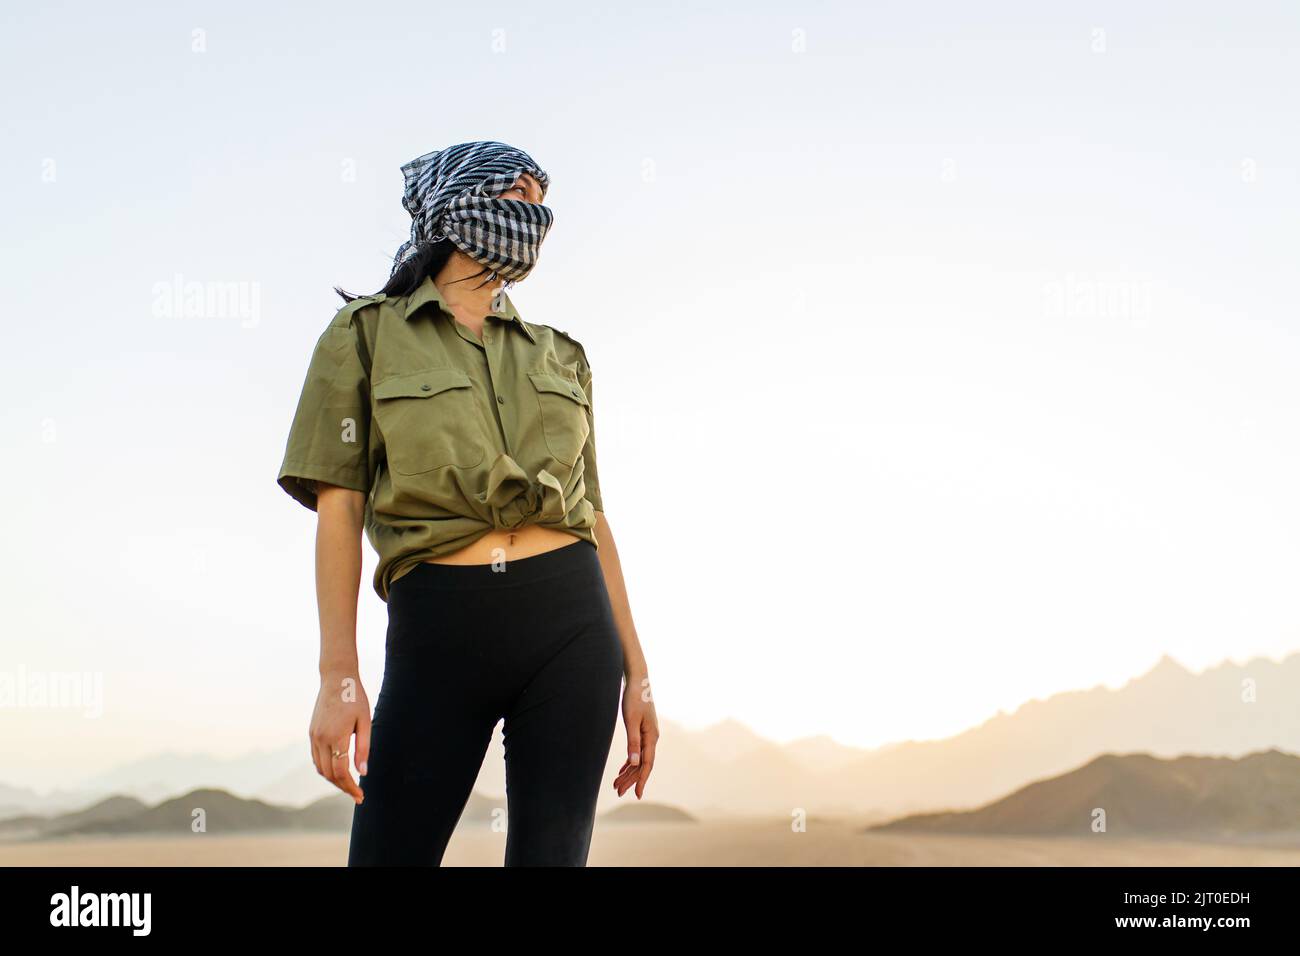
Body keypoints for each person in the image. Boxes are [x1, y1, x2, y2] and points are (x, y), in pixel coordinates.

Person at [275, 141, 657, 866]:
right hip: (438, 629)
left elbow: (593, 520)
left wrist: (638, 676)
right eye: (514, 197)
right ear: (456, 206)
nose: (533, 218)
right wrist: (338, 678)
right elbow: (340, 511)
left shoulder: (561, 354)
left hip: (572, 629)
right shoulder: (365, 333)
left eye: (541, 207)